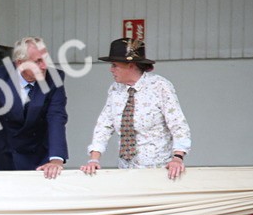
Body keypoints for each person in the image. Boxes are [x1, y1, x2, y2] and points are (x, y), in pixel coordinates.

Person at [0, 36, 69, 187]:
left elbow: (56, 118)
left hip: (36, 156)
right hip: (0, 153)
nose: (45, 66)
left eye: (45, 59)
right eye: (38, 61)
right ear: (20, 63)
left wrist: (56, 160)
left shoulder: (55, 78)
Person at [80, 38, 190, 180]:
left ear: (130, 65)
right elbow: (104, 125)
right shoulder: (115, 89)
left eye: (115, 65)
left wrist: (177, 158)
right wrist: (94, 159)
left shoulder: (160, 86)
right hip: (126, 170)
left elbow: (178, 124)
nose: (111, 69)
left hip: (158, 170)